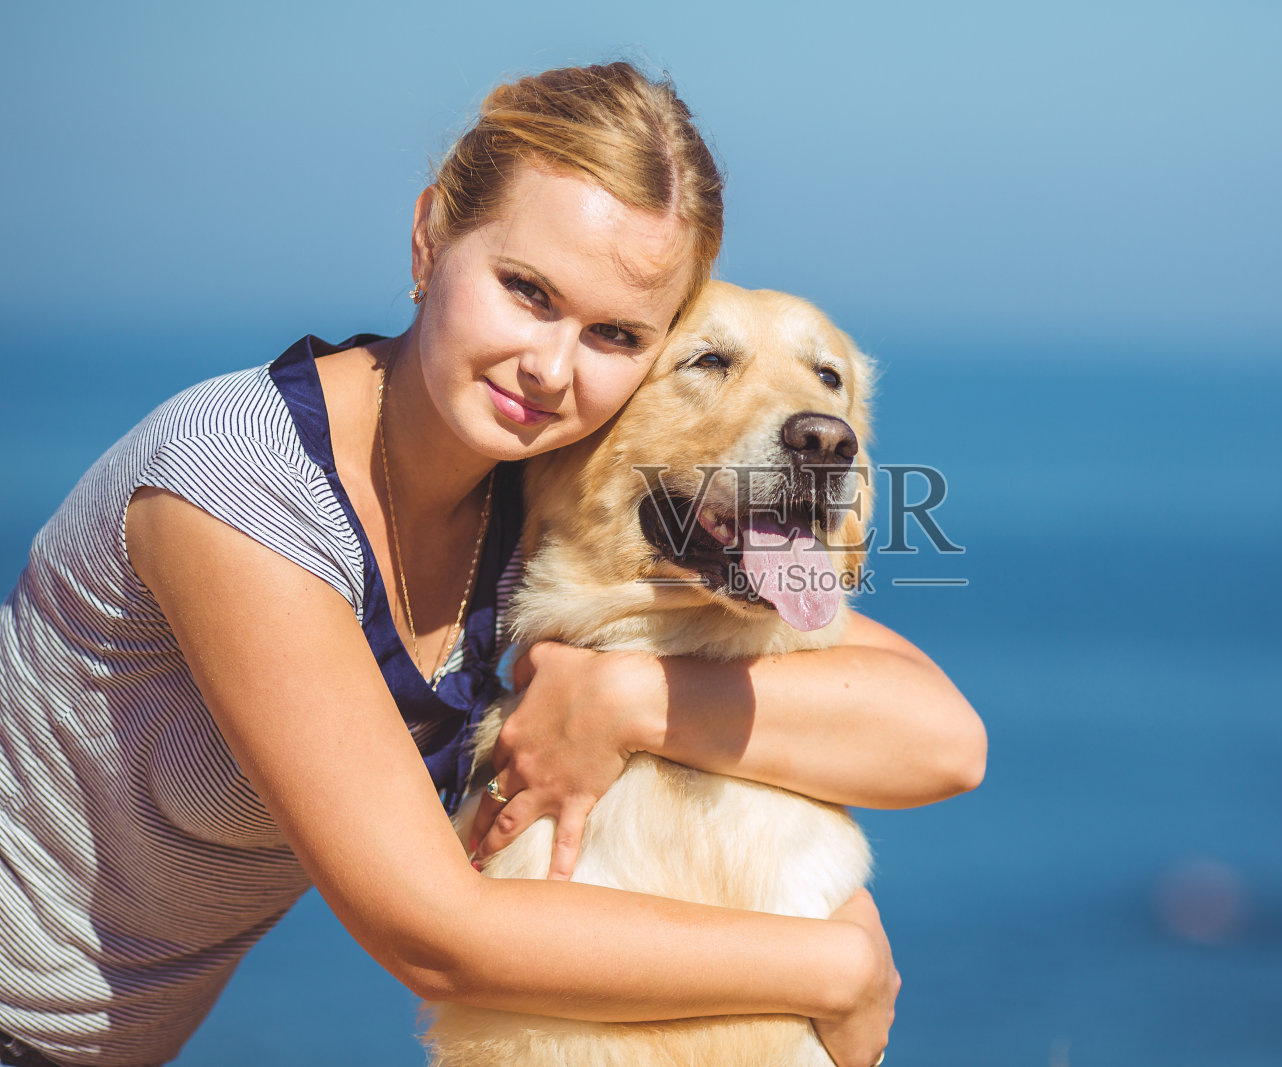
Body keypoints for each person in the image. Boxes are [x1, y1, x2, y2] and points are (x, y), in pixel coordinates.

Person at [0, 62, 985, 1067]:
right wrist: (835, 969)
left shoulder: (532, 491)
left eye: (613, 333)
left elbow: (941, 737)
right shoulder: (237, 489)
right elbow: (434, 933)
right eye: (527, 292)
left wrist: (629, 696)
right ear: (429, 236)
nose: (551, 368)